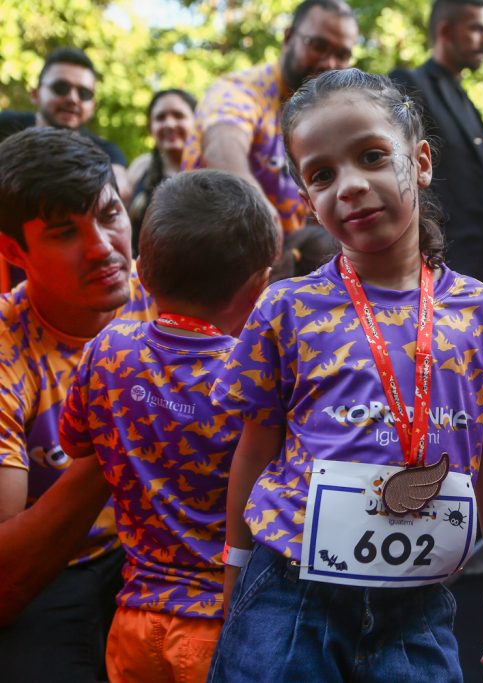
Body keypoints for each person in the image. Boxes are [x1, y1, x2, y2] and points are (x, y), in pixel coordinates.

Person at [205, 69, 483, 683]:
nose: (351, 186)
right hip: (289, 591)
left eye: (371, 156)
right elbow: (256, 445)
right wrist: (234, 571)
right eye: (323, 174)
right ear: (307, 198)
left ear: (422, 161)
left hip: (418, 607)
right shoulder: (286, 307)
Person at [57, 170, 279, 683]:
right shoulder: (255, 377)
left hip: (132, 624)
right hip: (222, 624)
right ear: (258, 287)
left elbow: (74, 441)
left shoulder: (108, 350)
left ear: (142, 273)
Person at [0, 128, 156, 681]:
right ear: (14, 250)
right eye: (66, 232)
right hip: (58, 576)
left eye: (110, 215)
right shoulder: (4, 349)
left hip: (173, 554)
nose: (102, 248)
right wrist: (116, 436)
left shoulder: (177, 291)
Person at [182, 0, 359, 233]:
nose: (329, 63)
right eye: (318, 45)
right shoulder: (241, 89)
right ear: (288, 38)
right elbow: (222, 143)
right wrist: (256, 205)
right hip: (213, 243)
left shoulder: (325, 114)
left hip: (285, 256)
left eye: (342, 54)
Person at [390, 0, 483, 316]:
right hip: (443, 272)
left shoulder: (464, 96)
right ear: (445, 30)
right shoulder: (409, 85)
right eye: (476, 29)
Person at [0, 47, 130, 201]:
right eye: (61, 88)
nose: (73, 98)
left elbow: (120, 189)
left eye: (84, 93)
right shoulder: (5, 124)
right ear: (35, 94)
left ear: (93, 106)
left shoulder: (106, 151)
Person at [127, 89, 198, 253]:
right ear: (150, 127)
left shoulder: (214, 168)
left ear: (197, 122)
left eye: (178, 115)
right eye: (160, 118)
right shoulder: (141, 167)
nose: (169, 124)